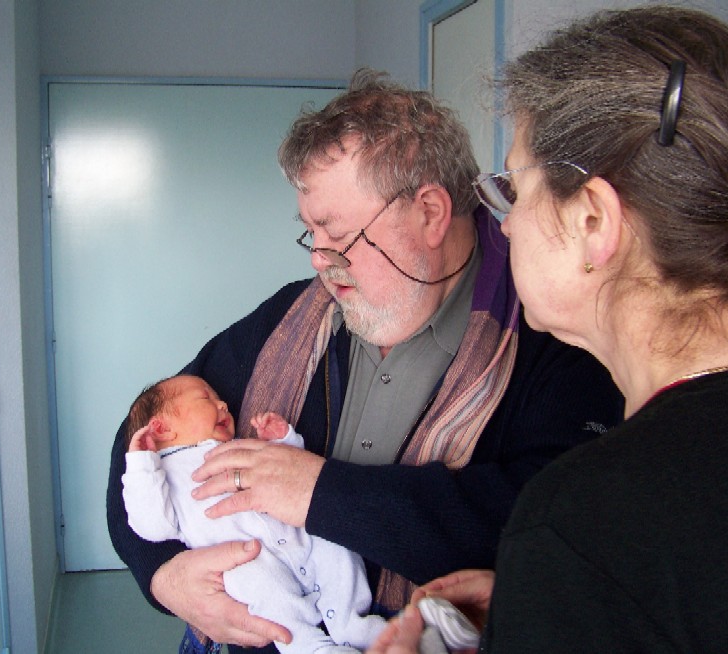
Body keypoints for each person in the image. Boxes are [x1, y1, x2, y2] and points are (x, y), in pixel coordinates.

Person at [106, 69, 624, 654]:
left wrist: (322, 494)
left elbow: (549, 530)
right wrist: (164, 575)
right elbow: (149, 432)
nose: (319, 261)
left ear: (431, 213)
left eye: (337, 234)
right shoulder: (290, 318)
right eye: (310, 233)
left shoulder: (553, 345)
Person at [367, 5, 728, 653]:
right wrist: (542, 607)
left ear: (593, 221)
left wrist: (563, 580)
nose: (504, 223)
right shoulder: (591, 550)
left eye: (515, 189)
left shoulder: (585, 519)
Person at [121, 374, 386, 653]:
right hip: (247, 559)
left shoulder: (236, 445)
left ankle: (352, 623)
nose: (223, 404)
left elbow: (291, 473)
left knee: (335, 542)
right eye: (206, 398)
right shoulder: (160, 475)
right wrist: (141, 465)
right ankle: (309, 646)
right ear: (161, 428)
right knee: (256, 587)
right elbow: (152, 526)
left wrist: (283, 440)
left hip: (297, 532)